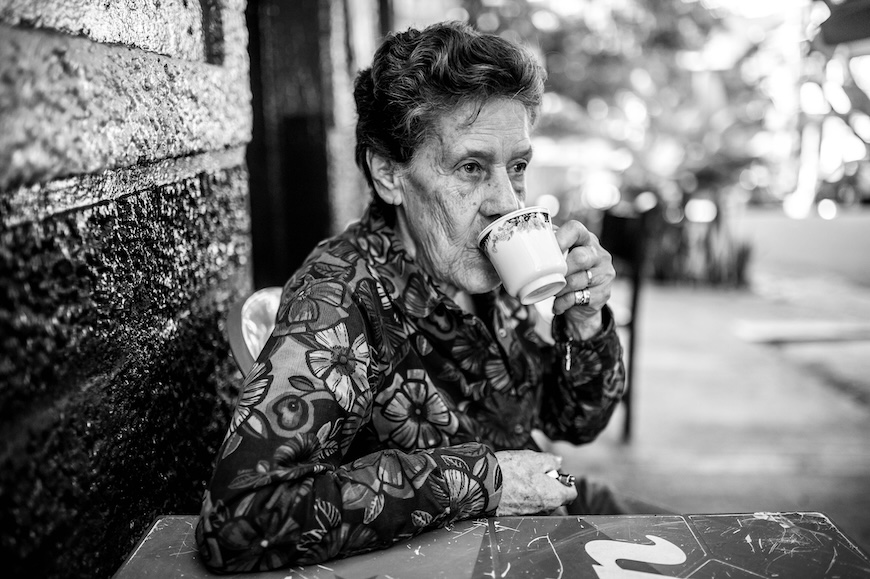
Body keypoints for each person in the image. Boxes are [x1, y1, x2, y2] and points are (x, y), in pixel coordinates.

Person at [196, 21, 627, 573]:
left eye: (517, 167)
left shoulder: (490, 270)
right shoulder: (341, 295)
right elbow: (239, 519)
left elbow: (575, 422)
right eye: (471, 168)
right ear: (388, 175)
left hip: (544, 518)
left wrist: (585, 321)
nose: (506, 201)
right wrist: (484, 479)